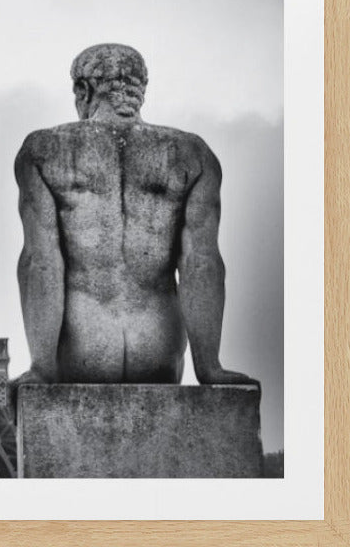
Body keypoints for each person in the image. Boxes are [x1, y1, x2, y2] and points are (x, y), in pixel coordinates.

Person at [13, 43, 257, 388]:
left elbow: (41, 263)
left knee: (34, 258)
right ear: (140, 90)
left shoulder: (43, 151)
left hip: (83, 346)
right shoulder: (194, 154)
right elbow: (201, 264)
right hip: (157, 351)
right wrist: (209, 367)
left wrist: (41, 368)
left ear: (83, 90)